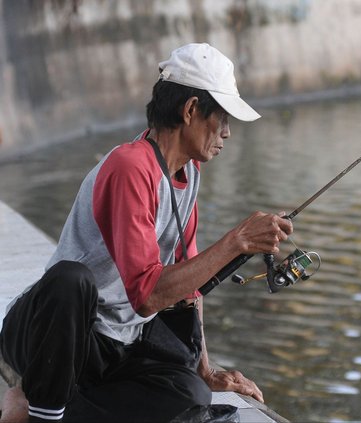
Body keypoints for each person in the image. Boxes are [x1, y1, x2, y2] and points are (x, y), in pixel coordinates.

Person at [0, 43, 293, 422]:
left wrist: (204, 370)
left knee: (191, 395)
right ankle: (41, 411)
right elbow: (148, 294)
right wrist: (236, 241)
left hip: (114, 345)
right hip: (53, 333)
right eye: (221, 118)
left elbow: (189, 288)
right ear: (190, 111)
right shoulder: (130, 166)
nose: (227, 133)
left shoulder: (187, 175)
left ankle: (30, 405)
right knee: (72, 279)